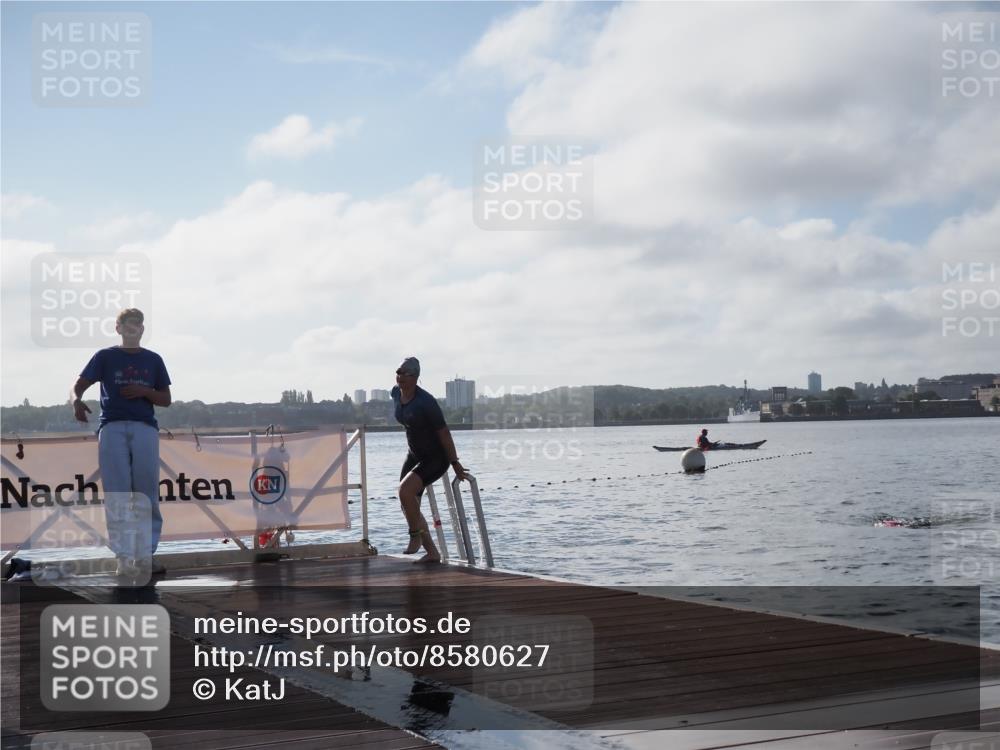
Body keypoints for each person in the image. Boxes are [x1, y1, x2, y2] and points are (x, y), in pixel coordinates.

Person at [71, 309, 171, 577]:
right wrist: (75, 401)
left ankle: (145, 556)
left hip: (144, 428)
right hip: (112, 427)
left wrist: (145, 392)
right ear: (118, 328)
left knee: (146, 493)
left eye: (137, 324)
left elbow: (165, 398)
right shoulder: (105, 356)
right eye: (127, 324)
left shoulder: (153, 360)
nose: (132, 328)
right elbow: (78, 385)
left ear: (142, 329)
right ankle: (124, 558)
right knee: (117, 494)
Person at [391, 357, 468, 563]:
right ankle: (432, 553)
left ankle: (415, 537)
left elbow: (444, 434)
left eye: (405, 374)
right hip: (415, 454)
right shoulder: (395, 394)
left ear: (416, 377)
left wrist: (455, 463)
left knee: (405, 492)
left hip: (436, 457)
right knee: (407, 502)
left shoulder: (426, 402)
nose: (400, 377)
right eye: (398, 372)